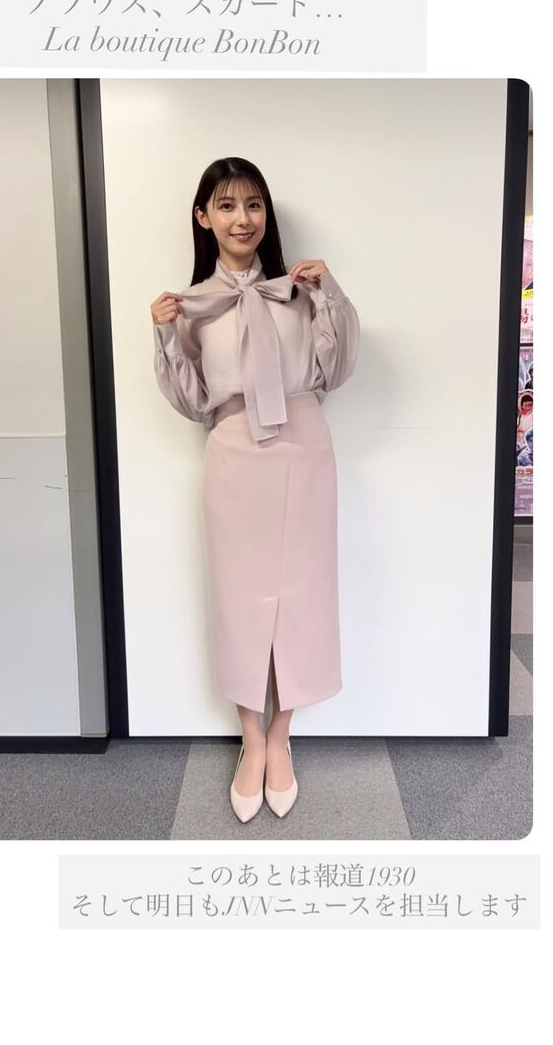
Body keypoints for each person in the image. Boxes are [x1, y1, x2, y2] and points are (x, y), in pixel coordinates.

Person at [150, 157, 360, 823]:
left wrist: (329, 295)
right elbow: (192, 400)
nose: (242, 219)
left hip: (304, 448)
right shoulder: (192, 306)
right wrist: (164, 332)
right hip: (234, 453)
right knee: (240, 598)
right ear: (203, 217)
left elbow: (337, 368)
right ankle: (250, 738)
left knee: (304, 592)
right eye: (226, 205)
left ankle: (281, 734)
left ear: (266, 215)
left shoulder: (296, 292)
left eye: (253, 205)